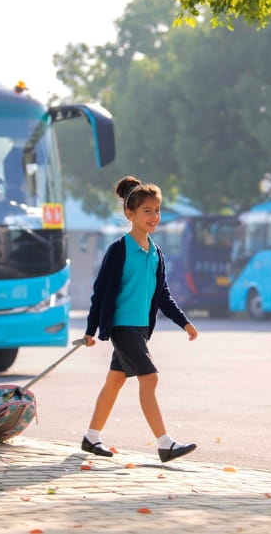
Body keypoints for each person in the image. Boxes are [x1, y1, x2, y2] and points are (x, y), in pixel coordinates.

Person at [81, 176, 200, 463]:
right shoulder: (119, 250)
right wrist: (91, 329)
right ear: (130, 214)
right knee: (150, 378)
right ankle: (165, 443)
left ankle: (91, 437)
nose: (154, 216)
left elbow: (162, 296)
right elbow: (100, 293)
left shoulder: (156, 253)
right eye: (147, 210)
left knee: (115, 382)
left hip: (140, 329)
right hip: (122, 327)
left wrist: (184, 322)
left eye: (157, 210)